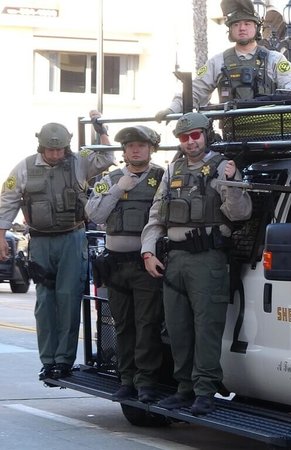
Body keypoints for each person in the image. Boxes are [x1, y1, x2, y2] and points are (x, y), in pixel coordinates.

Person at [141, 112, 252, 416]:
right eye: (184, 138)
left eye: (195, 136)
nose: (190, 142)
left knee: (206, 327)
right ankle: (184, 388)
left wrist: (231, 182)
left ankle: (205, 391)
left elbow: (241, 213)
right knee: (177, 328)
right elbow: (156, 215)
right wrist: (148, 252)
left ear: (206, 135)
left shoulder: (223, 166)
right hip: (174, 259)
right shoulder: (172, 170)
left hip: (208, 258)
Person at [0, 116, 115, 383]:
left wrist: (102, 132)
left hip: (71, 239)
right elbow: (8, 201)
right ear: (41, 147)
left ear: (67, 147)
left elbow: (107, 158)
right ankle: (47, 360)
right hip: (40, 242)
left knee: (69, 298)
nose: (54, 154)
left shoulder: (79, 161)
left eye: (59, 149)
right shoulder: (25, 167)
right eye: (50, 150)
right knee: (44, 302)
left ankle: (64, 360)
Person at [85, 123, 165, 404]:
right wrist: (119, 188)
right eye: (130, 146)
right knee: (122, 325)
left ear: (151, 149)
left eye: (141, 145)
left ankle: (145, 381)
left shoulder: (162, 177)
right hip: (116, 266)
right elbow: (94, 212)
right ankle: (126, 378)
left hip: (144, 265)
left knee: (146, 325)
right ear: (124, 151)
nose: (135, 149)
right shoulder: (111, 179)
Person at [155, 0, 291, 121]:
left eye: (247, 23)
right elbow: (195, 90)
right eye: (236, 24)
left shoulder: (275, 59)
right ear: (230, 30)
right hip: (230, 140)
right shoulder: (217, 62)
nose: (242, 28)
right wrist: (172, 109)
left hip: (270, 138)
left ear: (256, 27)